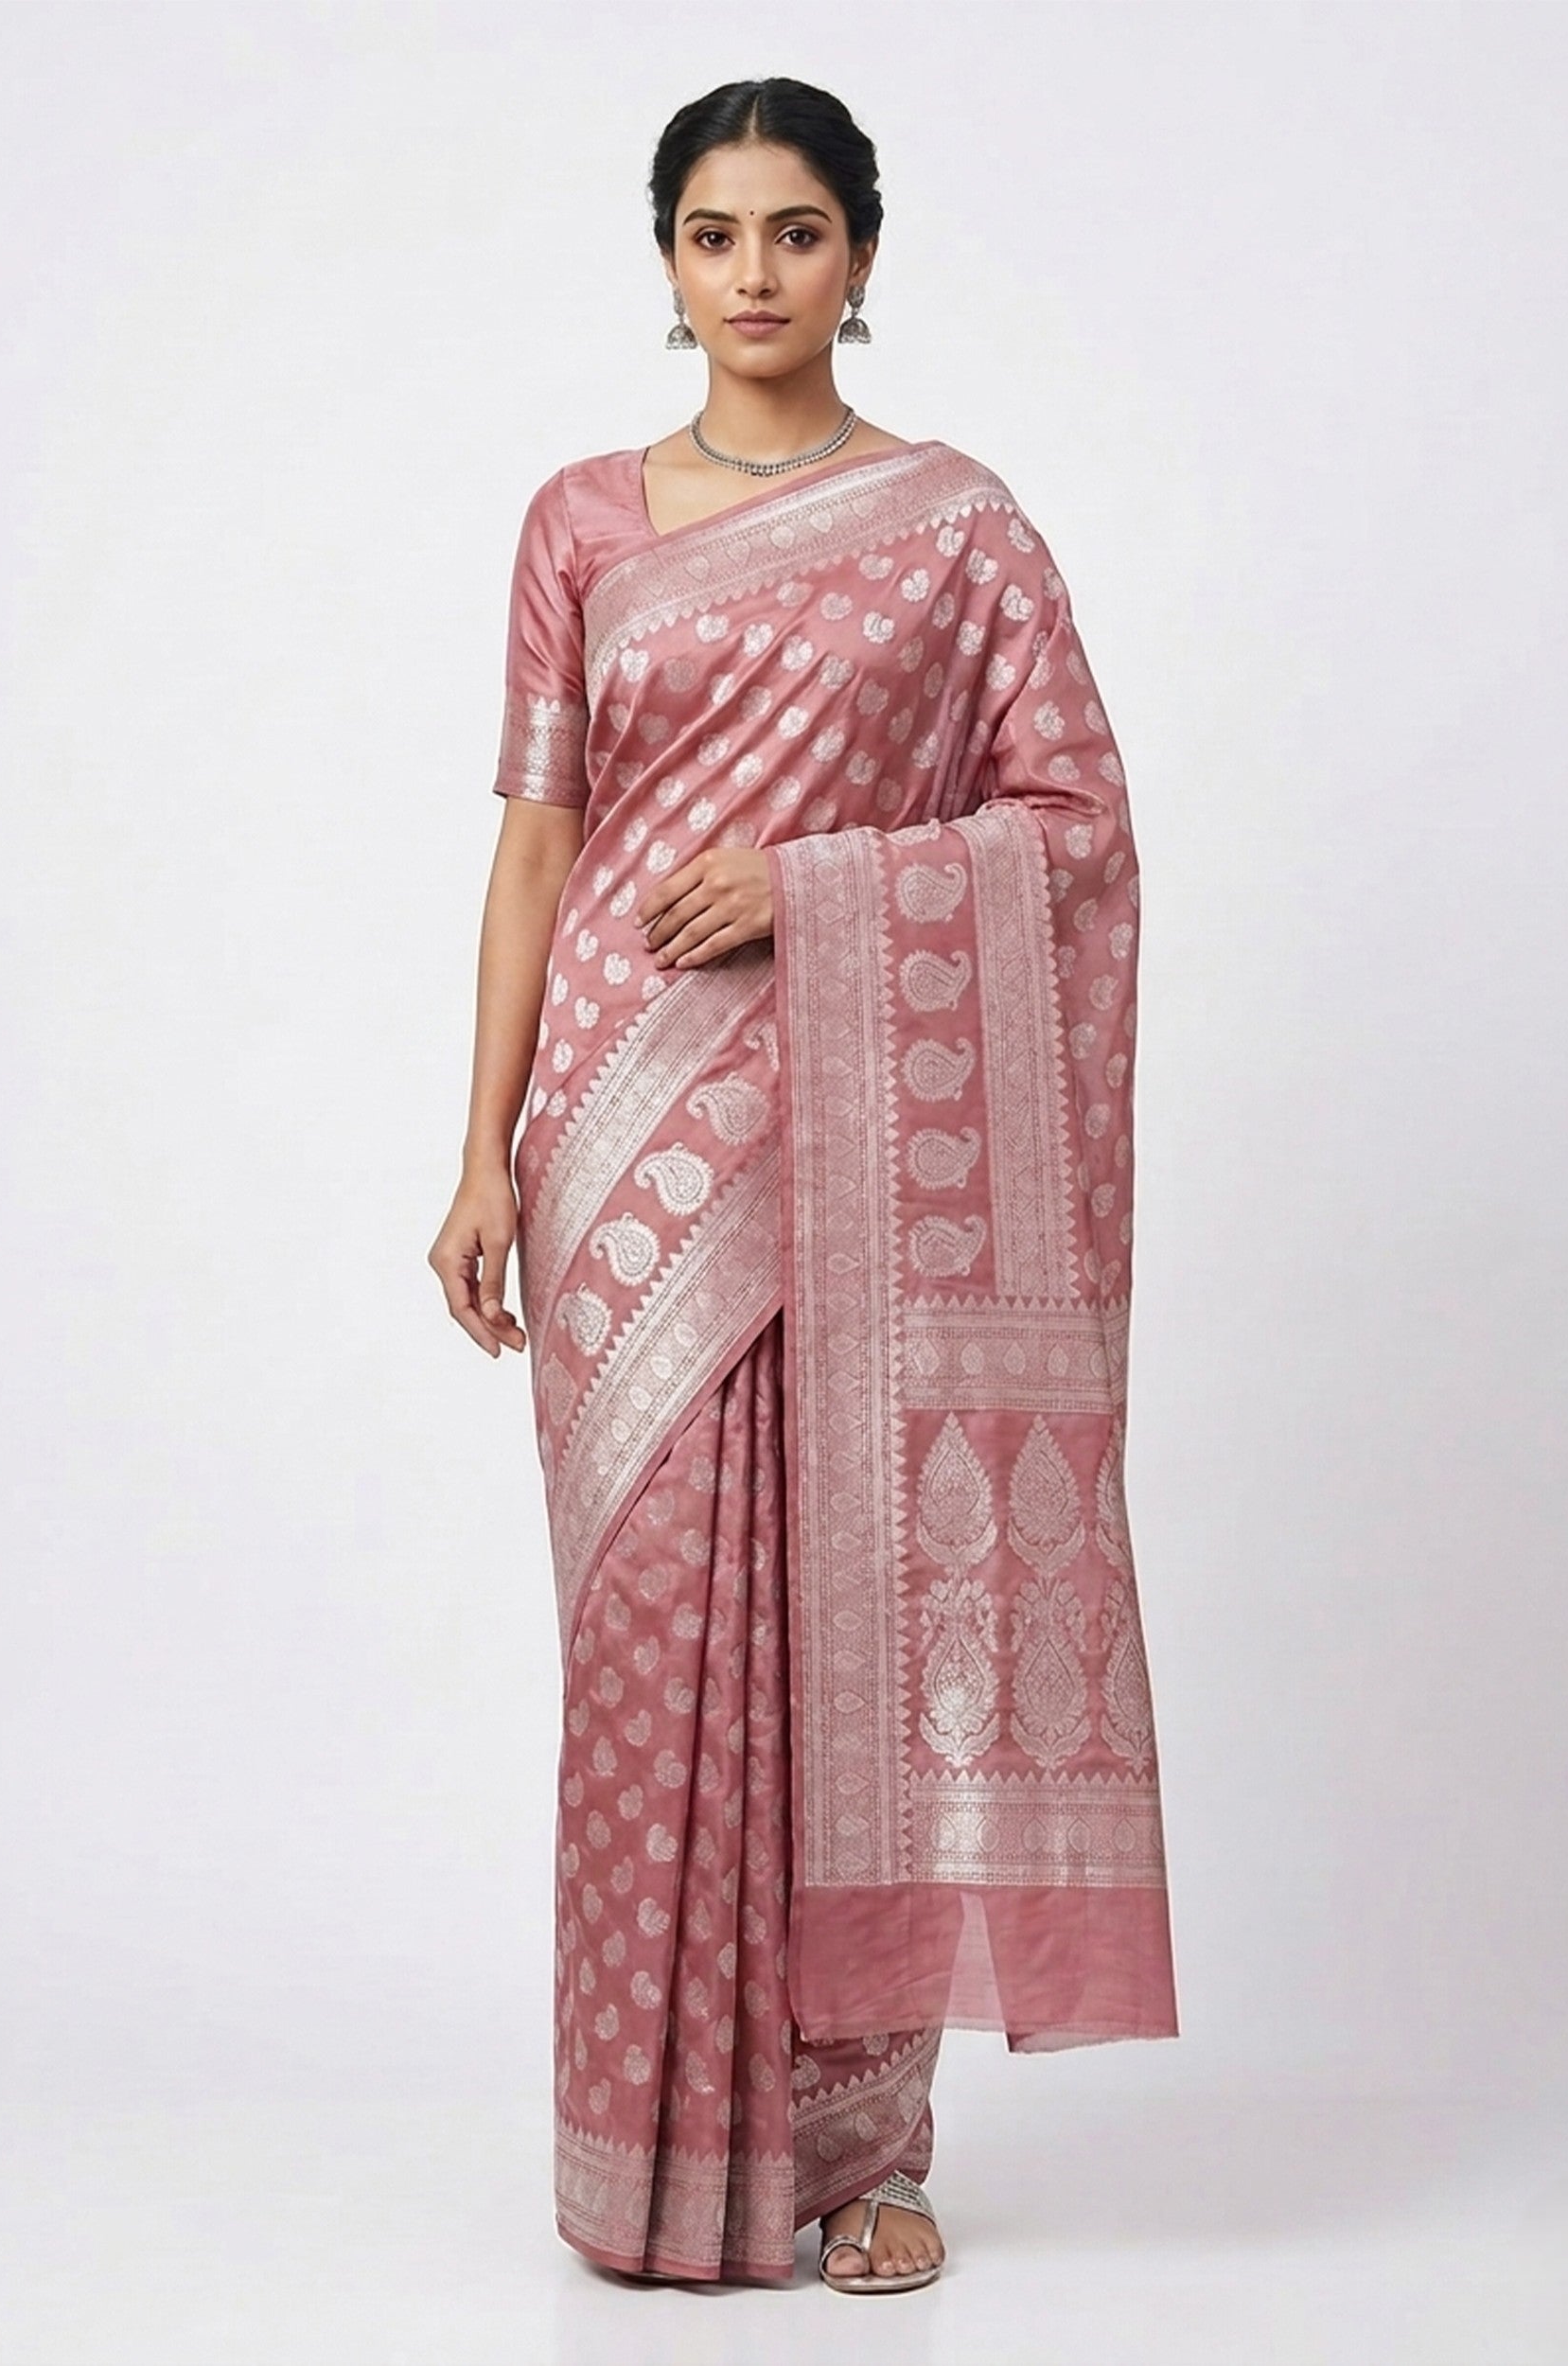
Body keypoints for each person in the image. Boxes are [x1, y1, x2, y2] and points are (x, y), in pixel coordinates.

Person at [428, 75, 1179, 2294]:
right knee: (657, 1652)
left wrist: (818, 885)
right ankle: (645, 2155)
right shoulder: (578, 519)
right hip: (622, 1148)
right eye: (709, 234)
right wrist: (476, 1147)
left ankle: (861, 2151)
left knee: (852, 1637)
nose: (751, 272)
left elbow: (1075, 828)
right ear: (663, 265)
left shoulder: (955, 528)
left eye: (794, 231)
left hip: (852, 1142)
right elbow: (536, 850)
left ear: (862, 251)